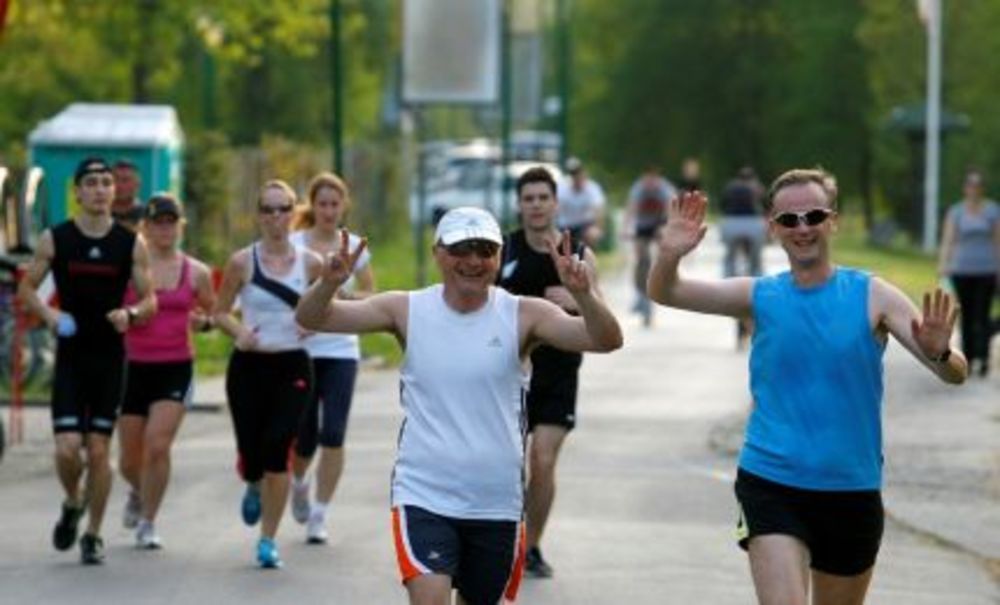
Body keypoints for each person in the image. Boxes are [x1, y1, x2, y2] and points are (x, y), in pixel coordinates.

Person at [647, 168, 968, 605]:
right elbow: (668, 292)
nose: (803, 228)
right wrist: (668, 255)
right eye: (789, 219)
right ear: (773, 228)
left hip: (851, 489)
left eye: (814, 215)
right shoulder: (759, 295)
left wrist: (939, 352)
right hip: (771, 481)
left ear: (832, 221)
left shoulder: (873, 295)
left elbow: (954, 373)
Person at [295, 206, 623, 605]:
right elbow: (314, 317)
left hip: (496, 500)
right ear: (437, 252)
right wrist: (328, 285)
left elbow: (605, 339)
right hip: (425, 493)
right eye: (460, 249)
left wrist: (583, 294)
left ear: (499, 257)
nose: (472, 262)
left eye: (485, 251)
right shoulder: (405, 309)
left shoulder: (523, 314)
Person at [17, 156, 156, 565]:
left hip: (110, 360)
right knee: (66, 449)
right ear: (77, 192)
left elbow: (150, 301)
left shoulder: (130, 243)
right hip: (72, 360)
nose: (99, 189)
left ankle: (93, 534)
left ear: (115, 192)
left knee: (97, 451)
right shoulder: (56, 239)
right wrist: (50, 315)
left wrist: (129, 314)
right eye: (91, 183)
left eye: (106, 183)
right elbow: (27, 290)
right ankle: (73, 500)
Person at [213, 179, 323, 568]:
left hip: (293, 364)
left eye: (283, 208)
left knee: (279, 446)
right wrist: (238, 331)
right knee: (252, 449)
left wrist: (317, 322)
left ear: (294, 213)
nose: (276, 216)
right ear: (258, 215)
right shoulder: (243, 262)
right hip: (249, 366)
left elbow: (332, 305)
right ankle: (252, 482)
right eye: (268, 209)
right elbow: (220, 311)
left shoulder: (311, 262)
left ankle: (267, 540)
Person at [498, 166, 600, 579]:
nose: (536, 205)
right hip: (507, 370)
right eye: (529, 198)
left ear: (556, 203)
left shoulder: (578, 253)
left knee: (542, 460)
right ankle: (502, 538)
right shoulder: (502, 250)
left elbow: (602, 315)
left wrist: (579, 298)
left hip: (559, 371)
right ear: (519, 204)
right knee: (508, 463)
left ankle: (532, 547)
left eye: (543, 197)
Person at [117, 194, 216, 549]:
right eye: (157, 222)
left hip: (175, 366)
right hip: (133, 367)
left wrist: (203, 323)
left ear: (180, 226)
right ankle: (137, 489)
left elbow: (214, 314)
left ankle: (148, 521)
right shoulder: (128, 267)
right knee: (129, 459)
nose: (164, 228)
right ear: (145, 226)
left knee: (157, 445)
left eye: (171, 222)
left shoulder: (197, 272)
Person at [288, 172, 376, 544]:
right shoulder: (295, 244)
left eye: (334, 204)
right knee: (305, 438)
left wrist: (343, 302)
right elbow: (284, 294)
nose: (327, 210)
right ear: (313, 205)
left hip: (341, 349)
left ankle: (320, 514)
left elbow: (371, 291)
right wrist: (304, 315)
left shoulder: (354, 247)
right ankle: (297, 482)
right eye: (321, 204)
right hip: (303, 349)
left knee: (334, 434)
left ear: (344, 207)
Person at [937, 170, 1000, 378]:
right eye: (970, 185)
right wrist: (943, 264)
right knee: (966, 315)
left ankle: (983, 358)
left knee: (982, 315)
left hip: (987, 270)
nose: (974, 189)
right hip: (961, 270)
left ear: (982, 188)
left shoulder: (992, 211)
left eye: (977, 185)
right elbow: (948, 239)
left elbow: (997, 240)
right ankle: (969, 357)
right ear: (965, 188)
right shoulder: (957, 212)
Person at [718, 166, 768, 348]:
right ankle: (758, 277)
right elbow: (765, 208)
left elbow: (723, 206)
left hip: (731, 224)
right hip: (753, 225)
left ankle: (727, 277)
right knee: (756, 261)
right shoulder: (758, 187)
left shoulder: (730, 187)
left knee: (729, 257)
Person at [621, 165, 675, 326]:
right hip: (643, 226)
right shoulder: (638, 189)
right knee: (641, 258)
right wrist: (625, 229)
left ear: (657, 178)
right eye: (647, 180)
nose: (650, 184)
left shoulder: (665, 189)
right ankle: (640, 291)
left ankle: (660, 282)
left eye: (653, 180)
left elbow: (671, 209)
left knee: (662, 255)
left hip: (659, 223)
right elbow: (631, 209)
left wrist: (665, 228)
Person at [557, 157, 606, 249]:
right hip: (566, 226)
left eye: (578, 173)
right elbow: (555, 208)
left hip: (585, 225)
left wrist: (598, 228)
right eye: (573, 174)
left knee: (592, 234)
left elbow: (598, 210)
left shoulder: (592, 188)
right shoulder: (562, 188)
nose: (576, 176)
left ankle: (588, 256)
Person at [112, 160, 144, 230]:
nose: (119, 185)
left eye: (125, 180)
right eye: (115, 179)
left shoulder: (147, 217)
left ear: (138, 184)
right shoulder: (98, 214)